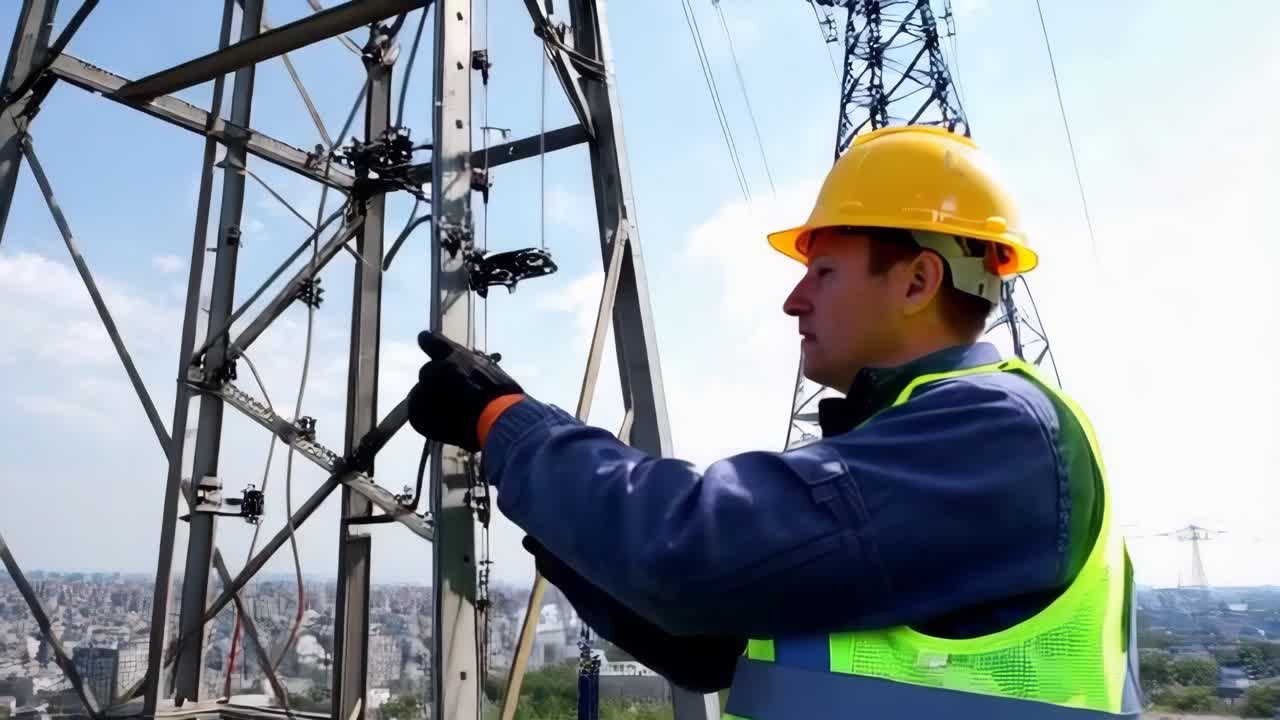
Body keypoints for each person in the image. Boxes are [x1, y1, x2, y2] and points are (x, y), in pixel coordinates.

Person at [407, 126, 1140, 718]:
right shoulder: (933, 435)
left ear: (918, 281)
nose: (795, 301)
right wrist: (563, 518)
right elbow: (710, 644)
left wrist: (503, 420)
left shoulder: (996, 435)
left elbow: (692, 552)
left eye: (823, 272)